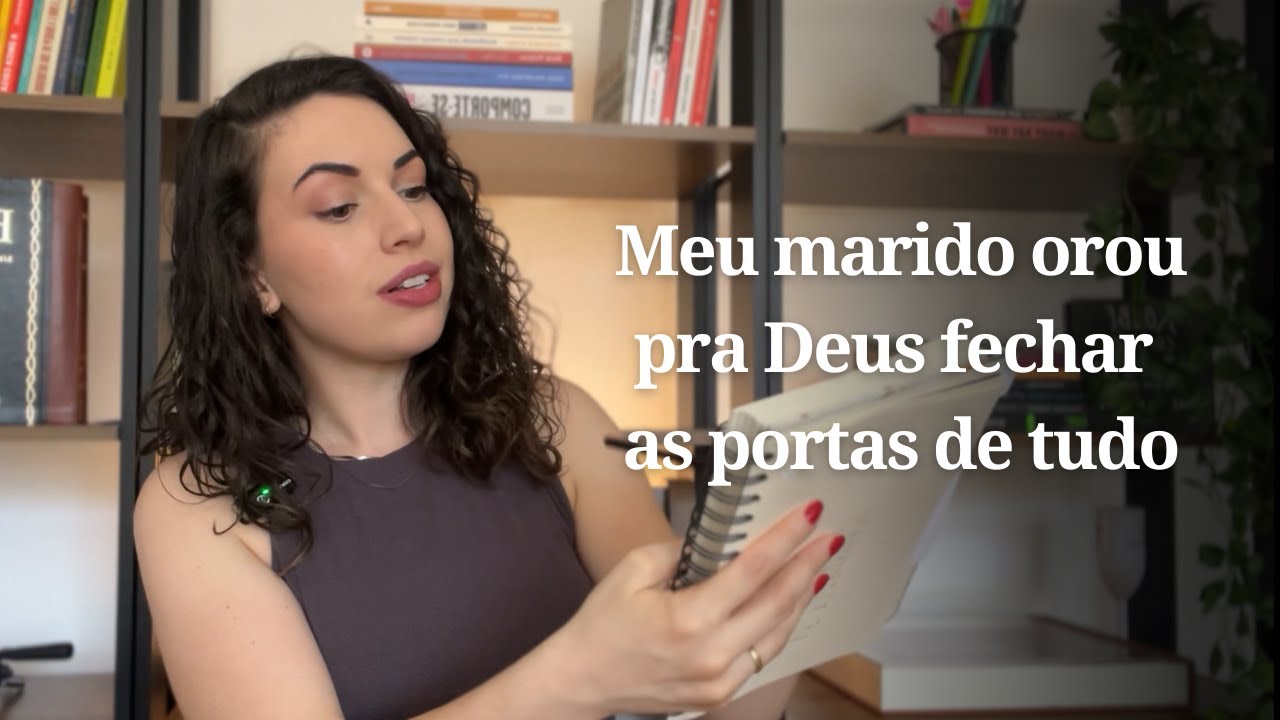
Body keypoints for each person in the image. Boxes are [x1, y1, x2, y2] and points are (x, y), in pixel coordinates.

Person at [132, 54, 841, 720]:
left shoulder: (558, 419)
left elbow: (717, 701)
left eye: (413, 188)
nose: (407, 225)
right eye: (340, 207)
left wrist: (784, 595)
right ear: (252, 273)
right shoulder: (195, 506)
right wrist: (581, 675)